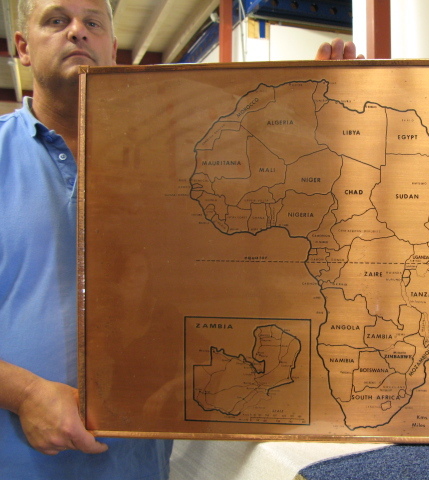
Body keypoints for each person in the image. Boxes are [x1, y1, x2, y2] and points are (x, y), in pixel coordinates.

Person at [0, 0, 362, 478]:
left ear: (112, 48)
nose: (77, 32)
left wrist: (308, 119)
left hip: (135, 466)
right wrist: (24, 394)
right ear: (23, 47)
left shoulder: (167, 163)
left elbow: (249, 259)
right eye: (56, 20)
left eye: (92, 22)